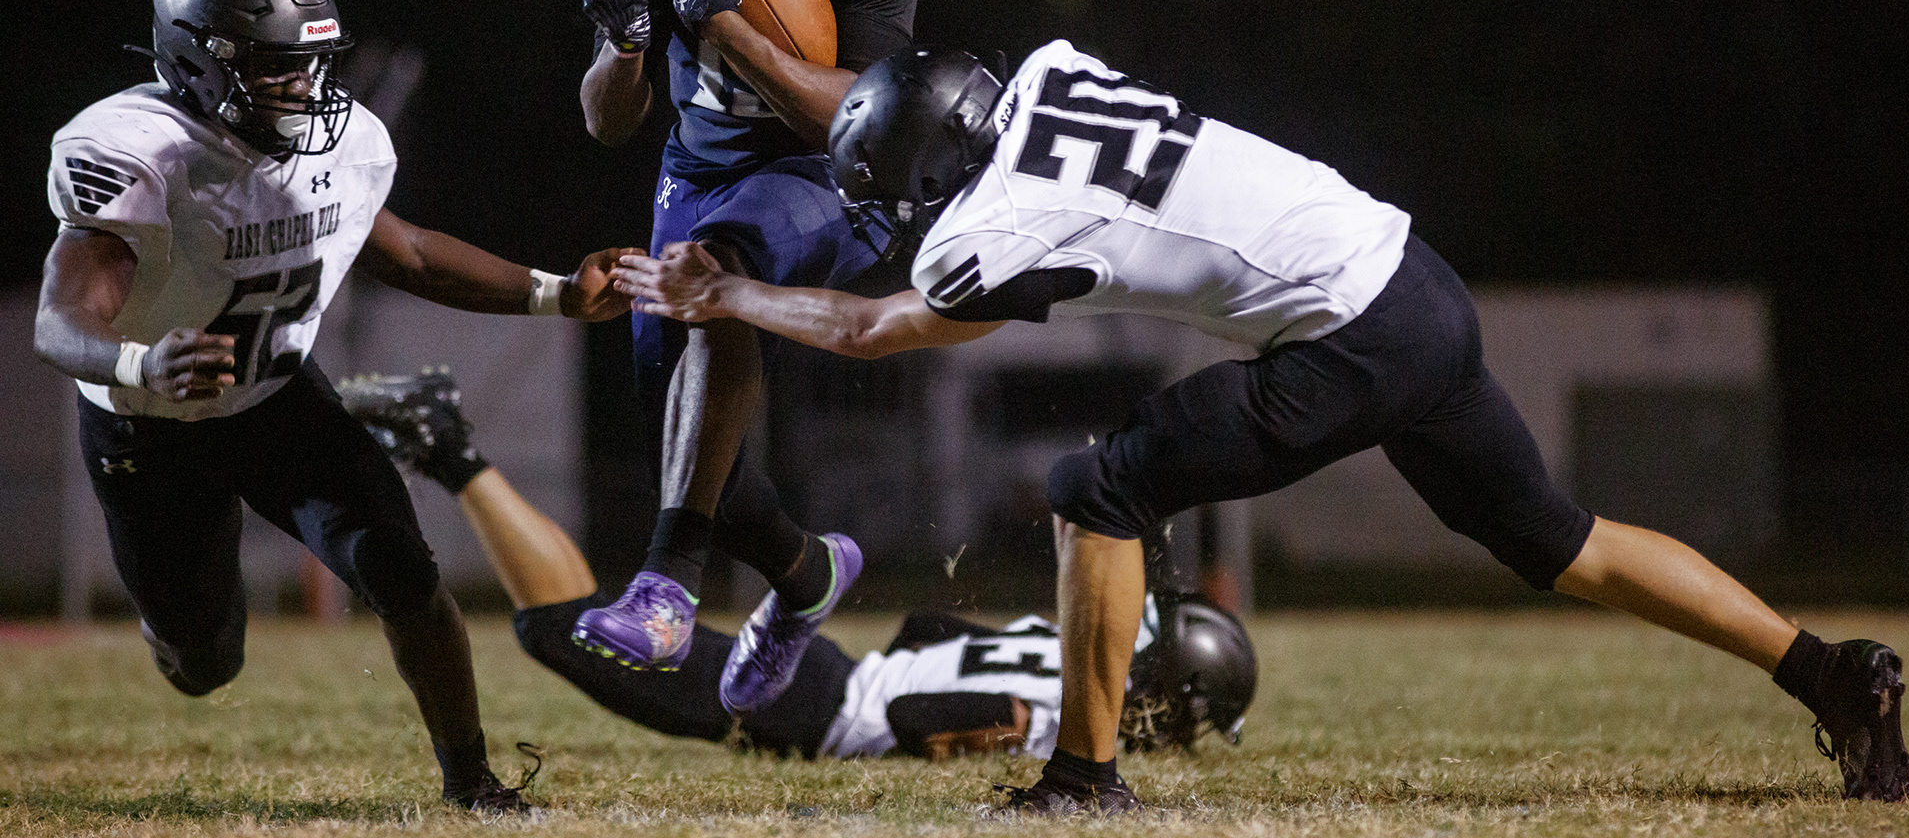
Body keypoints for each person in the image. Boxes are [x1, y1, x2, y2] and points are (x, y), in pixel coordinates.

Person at [618, 40, 1909, 812]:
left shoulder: (985, 233)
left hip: (1346, 333)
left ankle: (1083, 779)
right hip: (1408, 275)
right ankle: (1829, 672)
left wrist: (723, 288)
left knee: (1092, 489)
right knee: (1562, 543)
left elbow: (870, 328)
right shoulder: (1054, 73)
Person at [33, 0, 637, 813]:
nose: (306, 90)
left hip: (277, 400)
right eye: (279, 69)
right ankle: (176, 629)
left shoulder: (344, 141)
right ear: (199, 65)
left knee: (403, 569)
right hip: (149, 426)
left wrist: (555, 295)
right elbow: (61, 320)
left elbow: (411, 254)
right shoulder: (141, 150)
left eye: (314, 65)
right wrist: (141, 360)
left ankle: (471, 782)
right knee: (205, 664)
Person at [569, 0, 955, 717]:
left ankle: (665, 584)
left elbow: (867, 113)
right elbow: (610, 120)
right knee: (699, 453)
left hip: (835, 171)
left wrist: (732, 28)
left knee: (717, 273)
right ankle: (806, 576)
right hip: (695, 163)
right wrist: (628, 46)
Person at [338, 369, 1255, 760]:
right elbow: (915, 716)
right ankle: (448, 445)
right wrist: (1008, 731)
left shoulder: (1057, 644)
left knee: (564, 623)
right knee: (555, 628)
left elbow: (926, 634)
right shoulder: (1072, 711)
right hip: (812, 705)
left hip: (828, 677)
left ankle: (448, 448)